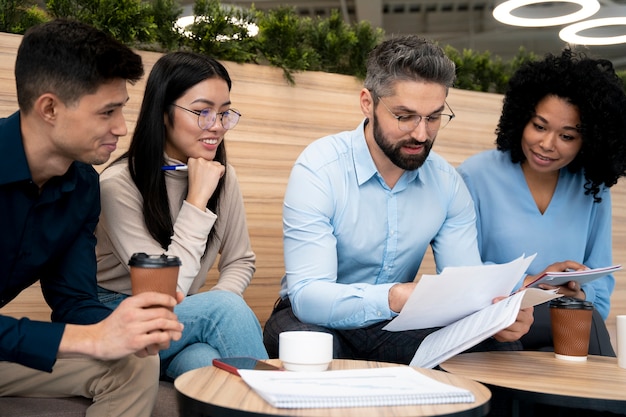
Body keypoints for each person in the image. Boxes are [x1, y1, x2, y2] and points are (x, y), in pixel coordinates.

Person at [262, 34, 533, 364]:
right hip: (312, 319)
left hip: (396, 324)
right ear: (367, 102)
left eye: (433, 117)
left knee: (499, 350)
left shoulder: (447, 183)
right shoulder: (319, 168)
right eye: (404, 116)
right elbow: (309, 298)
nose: (421, 134)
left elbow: (464, 282)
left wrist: (497, 315)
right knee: (310, 344)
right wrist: (394, 296)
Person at [0, 19, 184, 417]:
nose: (121, 127)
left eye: (122, 109)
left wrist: (129, 326)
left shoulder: (83, 187)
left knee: (135, 363)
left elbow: (74, 300)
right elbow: (82, 332)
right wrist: (92, 339)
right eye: (108, 112)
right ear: (49, 107)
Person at [95, 51, 268, 380]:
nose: (216, 126)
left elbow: (240, 260)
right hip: (120, 315)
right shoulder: (117, 186)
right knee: (223, 310)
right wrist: (197, 199)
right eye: (202, 112)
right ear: (163, 112)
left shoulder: (222, 176)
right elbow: (159, 293)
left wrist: (217, 303)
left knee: (203, 362)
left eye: (224, 113)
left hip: (179, 322)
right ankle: (290, 405)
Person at [457, 48, 626, 356]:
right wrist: (531, 283)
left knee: (581, 326)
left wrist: (578, 289)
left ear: (589, 140)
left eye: (567, 136)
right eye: (539, 126)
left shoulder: (592, 187)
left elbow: (601, 281)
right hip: (497, 322)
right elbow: (461, 271)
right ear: (521, 118)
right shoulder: (475, 176)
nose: (547, 145)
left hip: (569, 323)